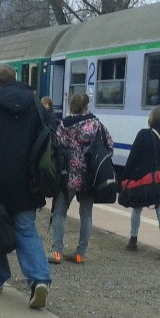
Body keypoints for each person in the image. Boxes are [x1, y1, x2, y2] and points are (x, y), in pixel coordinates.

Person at [0, 64, 53, 309]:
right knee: (25, 229)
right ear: (15, 80)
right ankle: (39, 280)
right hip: (27, 182)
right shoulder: (35, 106)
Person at [48, 93, 113, 264]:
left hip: (67, 175)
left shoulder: (64, 124)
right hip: (90, 177)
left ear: (71, 106)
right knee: (86, 215)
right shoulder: (97, 124)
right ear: (86, 106)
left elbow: (56, 147)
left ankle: (56, 252)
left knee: (60, 213)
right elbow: (109, 146)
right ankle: (80, 254)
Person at [121, 105, 160, 254]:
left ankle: (133, 239)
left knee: (137, 209)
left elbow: (132, 158)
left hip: (141, 180)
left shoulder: (143, 134)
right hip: (158, 180)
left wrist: (124, 178)